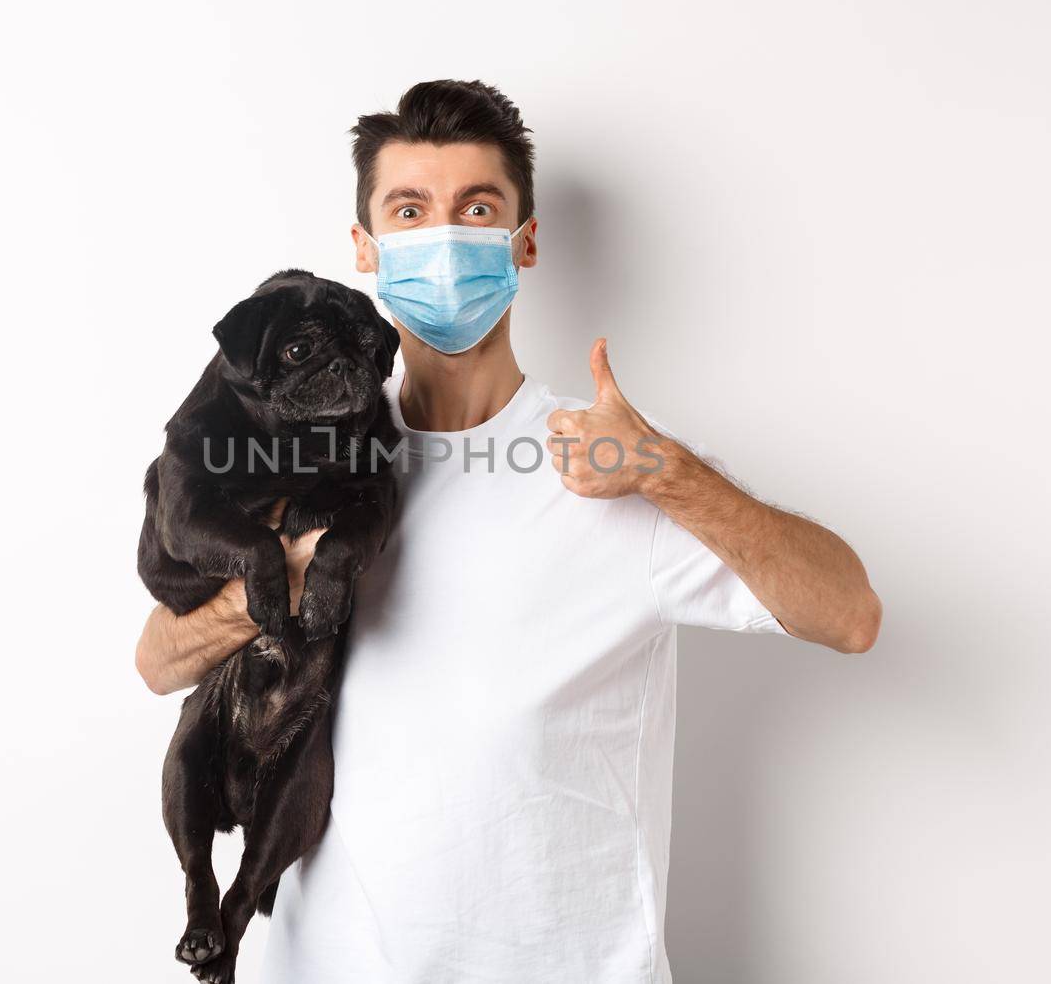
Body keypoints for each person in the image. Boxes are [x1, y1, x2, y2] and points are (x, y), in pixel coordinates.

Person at [135, 79, 881, 983]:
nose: (443, 238)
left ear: (524, 241)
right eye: (409, 210)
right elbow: (158, 660)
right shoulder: (303, 461)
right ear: (367, 249)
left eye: (475, 207)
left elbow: (849, 613)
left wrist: (666, 473)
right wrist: (281, 577)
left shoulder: (614, 461)